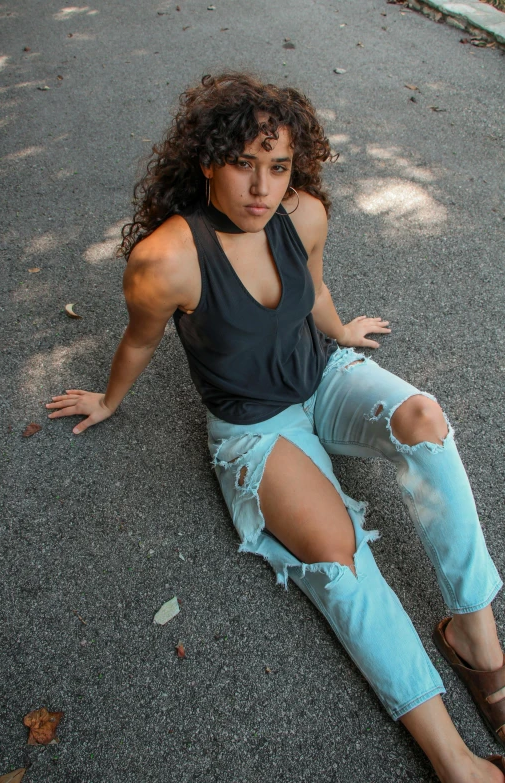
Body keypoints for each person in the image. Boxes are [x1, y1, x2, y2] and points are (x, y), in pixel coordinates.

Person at [46, 73, 505, 781]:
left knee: (425, 418)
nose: (262, 187)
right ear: (206, 160)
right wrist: (109, 400)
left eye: (278, 165)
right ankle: (457, 762)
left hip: (323, 375)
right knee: (337, 550)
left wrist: (339, 327)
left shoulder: (304, 215)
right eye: (243, 162)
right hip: (254, 428)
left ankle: (479, 641)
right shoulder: (166, 259)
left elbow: (313, 285)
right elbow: (139, 340)